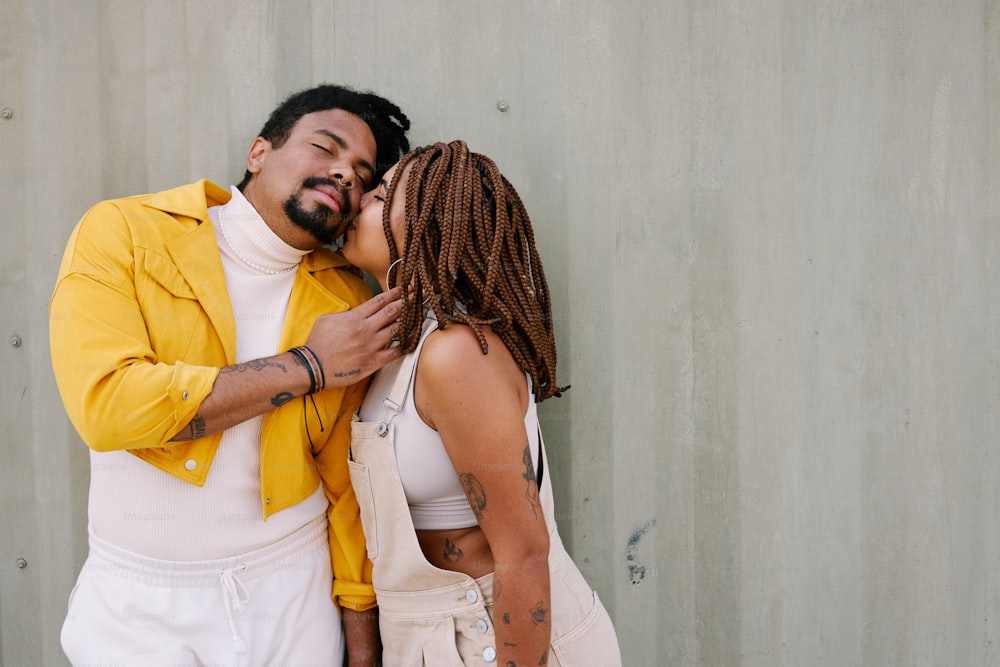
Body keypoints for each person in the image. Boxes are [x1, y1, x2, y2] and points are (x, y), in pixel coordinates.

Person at [49, 83, 410, 667]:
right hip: (140, 607)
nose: (345, 173)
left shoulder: (347, 297)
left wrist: (362, 644)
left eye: (363, 173)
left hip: (295, 592)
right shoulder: (123, 232)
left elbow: (347, 486)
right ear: (259, 153)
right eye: (326, 147)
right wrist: (310, 366)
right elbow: (108, 408)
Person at [341, 140, 623, 665]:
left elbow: (523, 553)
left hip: (501, 641)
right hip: (436, 640)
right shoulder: (395, 349)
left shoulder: (456, 354)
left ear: (430, 225)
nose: (358, 199)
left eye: (380, 195)